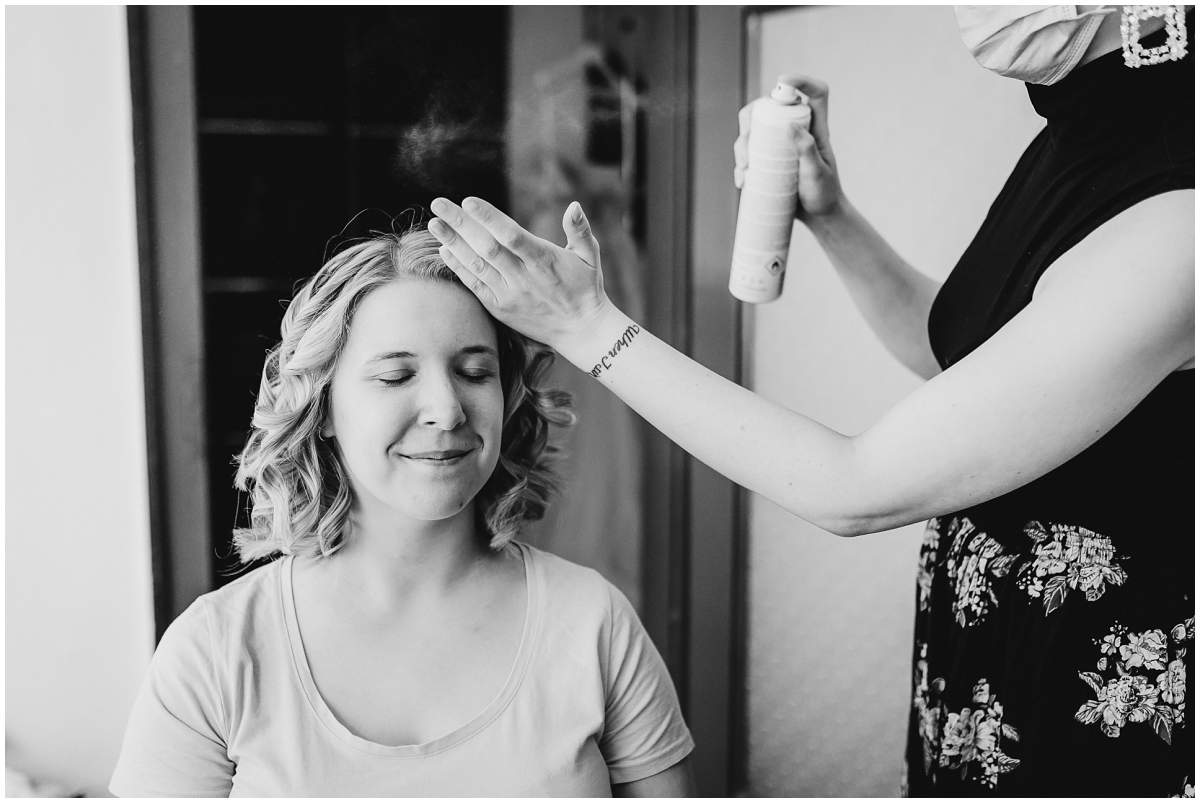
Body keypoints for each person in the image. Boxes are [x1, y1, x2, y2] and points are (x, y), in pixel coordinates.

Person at [426, 5, 1194, 796]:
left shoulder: (1180, 210)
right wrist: (831, 216)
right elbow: (963, 359)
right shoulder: (1085, 136)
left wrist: (590, 328)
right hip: (989, 674)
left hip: (1091, 697)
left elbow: (855, 488)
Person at [109, 229, 694, 796]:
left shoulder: (594, 622)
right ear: (324, 405)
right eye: (395, 375)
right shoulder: (215, 649)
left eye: (474, 372)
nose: (446, 410)